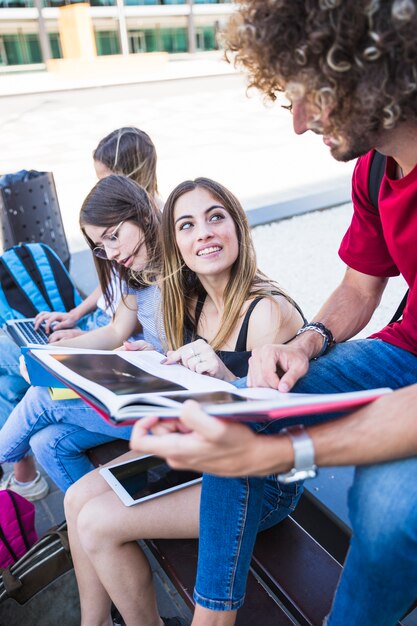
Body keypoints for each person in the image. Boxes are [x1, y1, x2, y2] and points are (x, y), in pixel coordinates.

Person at [129, 2, 417, 625]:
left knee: (390, 499)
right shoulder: (373, 170)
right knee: (245, 400)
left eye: (310, 96)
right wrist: (307, 341)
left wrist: (276, 455)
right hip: (404, 351)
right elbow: (359, 290)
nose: (299, 121)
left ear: (376, 72)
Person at [63, 177, 304, 626]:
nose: (203, 234)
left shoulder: (267, 310)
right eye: (187, 225)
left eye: (215, 218)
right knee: (76, 499)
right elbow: (186, 388)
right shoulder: (189, 302)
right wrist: (151, 367)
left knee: (97, 522)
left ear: (238, 226)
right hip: (201, 454)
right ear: (175, 240)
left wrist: (227, 373)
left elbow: (263, 429)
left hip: (258, 485)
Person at [0, 125, 160, 500]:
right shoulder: (135, 268)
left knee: (39, 395)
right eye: (103, 246)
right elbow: (115, 330)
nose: (113, 253)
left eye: (113, 237)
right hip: (137, 385)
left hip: (155, 402)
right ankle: (110, 522)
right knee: (46, 442)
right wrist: (55, 352)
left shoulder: (172, 256)